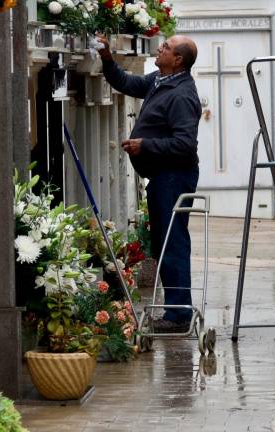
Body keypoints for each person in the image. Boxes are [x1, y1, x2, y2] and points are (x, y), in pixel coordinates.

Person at [96, 35, 202, 332]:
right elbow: (128, 83)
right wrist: (106, 59)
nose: (160, 48)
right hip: (163, 177)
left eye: (166, 48)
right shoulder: (160, 80)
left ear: (178, 59)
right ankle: (175, 310)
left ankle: (179, 315)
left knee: (173, 243)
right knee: (165, 242)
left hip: (174, 177)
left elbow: (184, 144)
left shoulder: (181, 94)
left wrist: (146, 145)